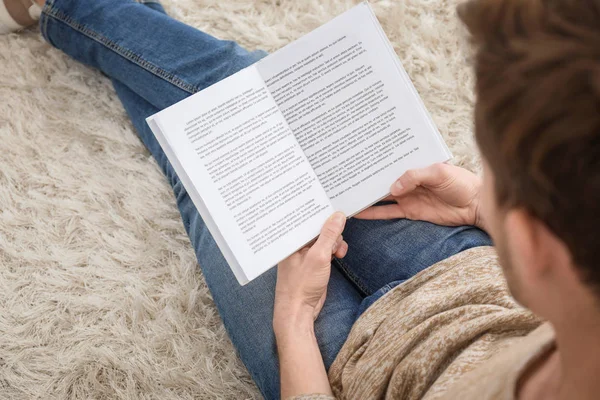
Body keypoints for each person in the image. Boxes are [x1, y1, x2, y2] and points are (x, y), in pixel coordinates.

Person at [3, 0, 600, 399]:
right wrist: (474, 204)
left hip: (335, 360)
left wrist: (292, 319)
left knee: (212, 172)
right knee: (255, 92)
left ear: (534, 242)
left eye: (498, 177)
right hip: (459, 272)